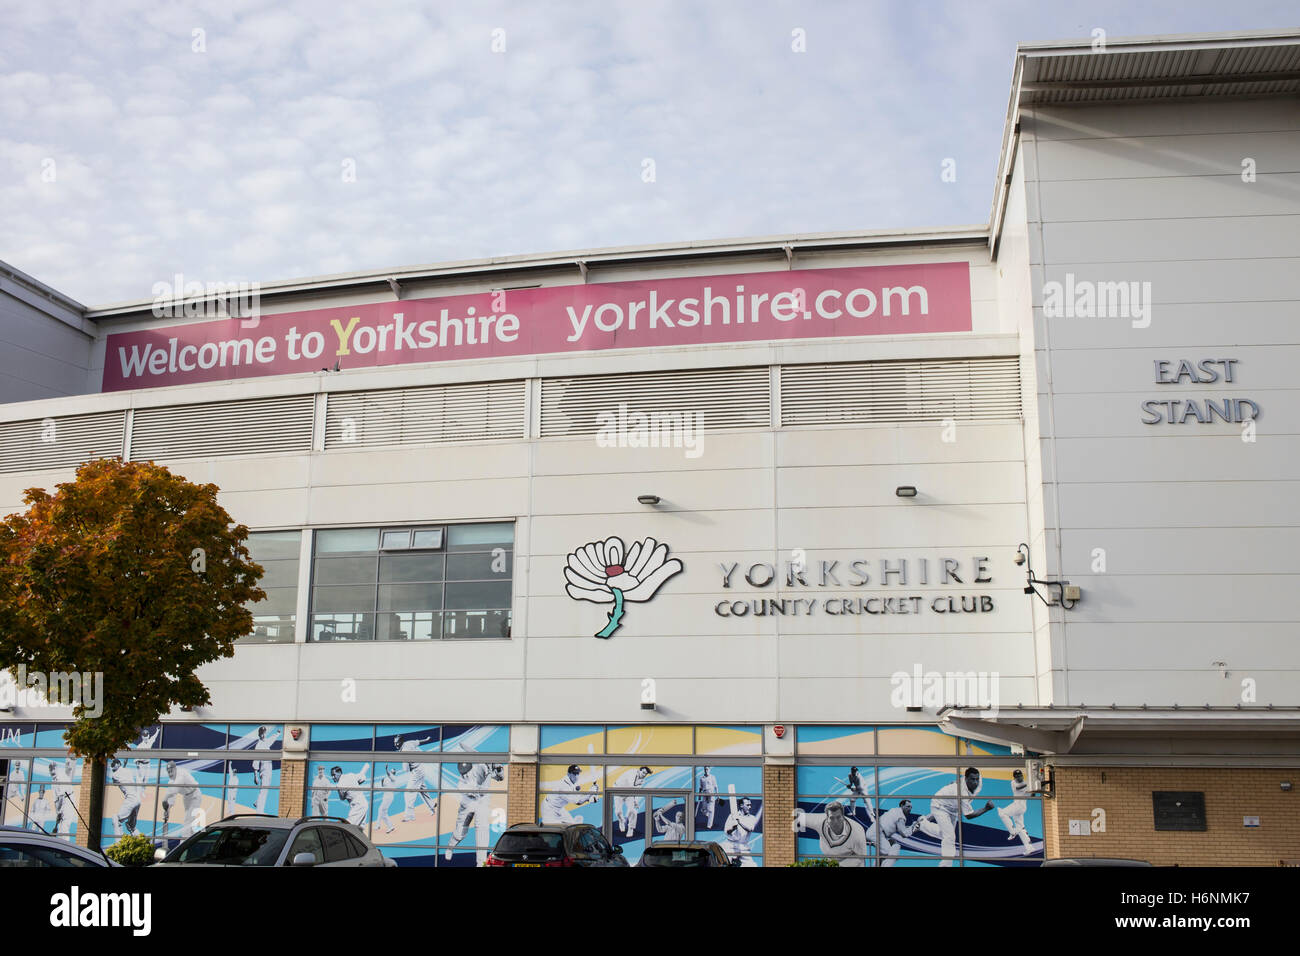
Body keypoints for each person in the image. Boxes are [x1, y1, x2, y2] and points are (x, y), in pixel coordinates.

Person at [916, 768, 995, 865]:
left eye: (977, 779)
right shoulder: (962, 793)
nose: (975, 782)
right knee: (950, 837)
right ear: (966, 779)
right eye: (972, 779)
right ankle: (946, 865)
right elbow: (969, 815)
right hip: (940, 805)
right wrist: (986, 808)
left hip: (954, 808)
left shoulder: (978, 782)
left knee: (943, 833)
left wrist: (954, 782)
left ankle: (922, 824)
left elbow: (963, 776)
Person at [445, 762, 505, 863]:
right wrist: (487, 774)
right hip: (468, 803)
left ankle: (481, 863)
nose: (465, 775)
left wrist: (498, 770)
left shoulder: (481, 767)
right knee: (460, 833)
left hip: (482, 801)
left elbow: (500, 778)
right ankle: (450, 847)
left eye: (467, 773)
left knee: (482, 830)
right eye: (463, 774)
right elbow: (475, 791)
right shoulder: (461, 784)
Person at [796, 799, 869, 866]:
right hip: (830, 858)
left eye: (838, 817)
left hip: (852, 862)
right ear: (827, 818)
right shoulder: (819, 821)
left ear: (843, 817)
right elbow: (798, 816)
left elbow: (861, 857)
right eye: (831, 818)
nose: (835, 821)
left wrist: (838, 865)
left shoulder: (857, 831)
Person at [865, 799, 919, 867]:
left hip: (874, 832)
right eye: (908, 806)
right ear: (902, 806)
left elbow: (899, 826)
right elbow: (904, 833)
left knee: (883, 854)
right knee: (891, 853)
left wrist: (911, 826)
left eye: (911, 807)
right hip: (877, 834)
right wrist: (914, 827)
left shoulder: (894, 810)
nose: (910, 809)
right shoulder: (900, 816)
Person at [394, 734, 437, 821]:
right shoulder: (409, 743)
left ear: (401, 742)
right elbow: (418, 742)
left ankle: (409, 816)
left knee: (409, 793)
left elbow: (406, 769)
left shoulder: (404, 752)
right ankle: (432, 805)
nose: (395, 744)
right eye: (394, 742)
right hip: (420, 768)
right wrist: (427, 739)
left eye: (397, 743)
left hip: (416, 772)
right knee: (422, 790)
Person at [162, 760, 204, 837]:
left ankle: (184, 842)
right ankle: (193, 839)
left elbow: (174, 790)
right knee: (190, 820)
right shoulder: (171, 781)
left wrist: (164, 799)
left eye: (171, 771)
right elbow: (171, 799)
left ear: (175, 769)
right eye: (168, 772)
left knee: (188, 820)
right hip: (186, 797)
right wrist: (167, 810)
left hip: (195, 795)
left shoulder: (181, 774)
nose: (170, 773)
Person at [997, 769, 1034, 854]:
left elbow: (1032, 795)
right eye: (1017, 776)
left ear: (1022, 776)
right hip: (1017, 806)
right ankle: (1029, 848)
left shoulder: (1027, 784)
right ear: (1014, 778)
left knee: (1002, 813)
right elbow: (1018, 788)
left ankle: (1013, 832)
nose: (1019, 777)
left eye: (1020, 775)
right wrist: (1030, 784)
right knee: (1020, 827)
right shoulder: (1013, 783)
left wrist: (1033, 790)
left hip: (1020, 806)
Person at [722, 797, 762, 866]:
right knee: (725, 864)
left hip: (744, 847)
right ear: (741, 805)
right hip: (731, 846)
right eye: (747, 805)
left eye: (750, 805)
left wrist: (739, 821)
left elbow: (750, 828)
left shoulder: (752, 818)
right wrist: (733, 828)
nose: (750, 807)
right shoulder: (732, 816)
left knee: (752, 865)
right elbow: (727, 831)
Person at [613, 766, 650, 837]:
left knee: (633, 811)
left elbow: (635, 791)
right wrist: (637, 783)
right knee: (618, 812)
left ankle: (631, 829)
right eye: (643, 772)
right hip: (618, 791)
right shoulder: (632, 772)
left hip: (629, 794)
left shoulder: (642, 781)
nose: (644, 775)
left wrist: (635, 801)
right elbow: (631, 785)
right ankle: (621, 821)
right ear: (639, 771)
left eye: (646, 774)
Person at [109, 758, 142, 836]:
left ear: (118, 764)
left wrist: (118, 769)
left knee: (116, 819)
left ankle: (119, 841)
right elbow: (123, 774)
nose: (112, 767)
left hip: (130, 798)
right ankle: (140, 840)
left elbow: (115, 783)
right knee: (131, 826)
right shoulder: (128, 770)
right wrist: (122, 766)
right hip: (137, 799)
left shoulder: (114, 775)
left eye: (113, 765)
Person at [252, 725, 281, 813]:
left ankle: (257, 802)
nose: (263, 735)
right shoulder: (259, 745)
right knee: (264, 788)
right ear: (259, 734)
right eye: (262, 733)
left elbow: (272, 738)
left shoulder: (266, 741)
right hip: (264, 768)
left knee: (265, 787)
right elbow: (256, 761)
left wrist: (278, 733)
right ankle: (259, 810)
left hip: (269, 766)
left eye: (264, 733)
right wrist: (255, 776)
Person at [50, 758, 77, 835]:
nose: (52, 771)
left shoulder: (61, 778)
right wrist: (57, 812)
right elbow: (56, 800)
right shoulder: (53, 782)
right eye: (51, 770)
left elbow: (62, 798)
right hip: (61, 804)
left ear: (57, 769)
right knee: (60, 827)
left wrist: (59, 811)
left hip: (68, 801)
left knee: (64, 827)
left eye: (54, 769)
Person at [376, 764, 402, 833]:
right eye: (391, 771)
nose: (391, 772)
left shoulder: (394, 778)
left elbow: (388, 774)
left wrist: (386, 769)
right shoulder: (387, 779)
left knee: (382, 811)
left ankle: (384, 826)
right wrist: (382, 781)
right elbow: (383, 786)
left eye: (393, 771)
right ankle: (385, 826)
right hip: (385, 797)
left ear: (394, 773)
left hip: (389, 797)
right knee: (382, 811)